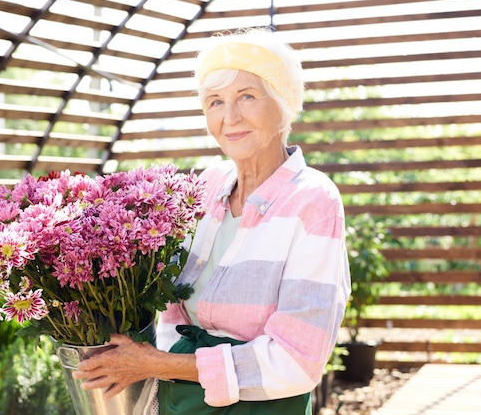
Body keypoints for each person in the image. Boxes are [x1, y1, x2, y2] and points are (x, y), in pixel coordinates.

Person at [73, 27, 351, 414]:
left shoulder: (313, 199)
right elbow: (173, 310)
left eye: (247, 96)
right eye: (215, 101)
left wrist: (156, 364)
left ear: (283, 102)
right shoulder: (208, 185)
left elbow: (297, 361)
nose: (230, 116)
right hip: (183, 399)